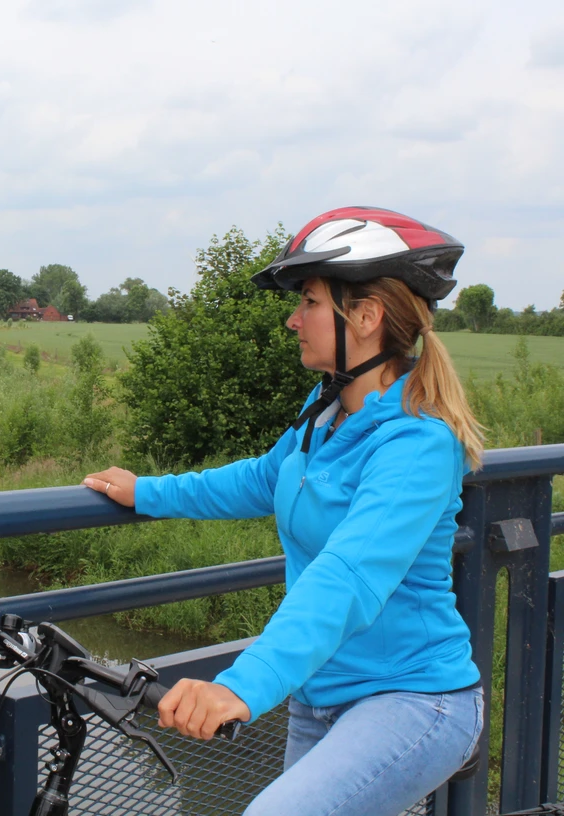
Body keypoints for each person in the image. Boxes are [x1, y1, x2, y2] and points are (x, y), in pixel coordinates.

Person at [84, 207, 485, 816]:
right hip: (319, 693)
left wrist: (241, 686)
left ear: (367, 317)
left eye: (310, 302)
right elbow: (263, 479)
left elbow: (348, 575)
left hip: (411, 699)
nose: (294, 319)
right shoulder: (326, 414)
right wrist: (148, 492)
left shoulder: (418, 445)